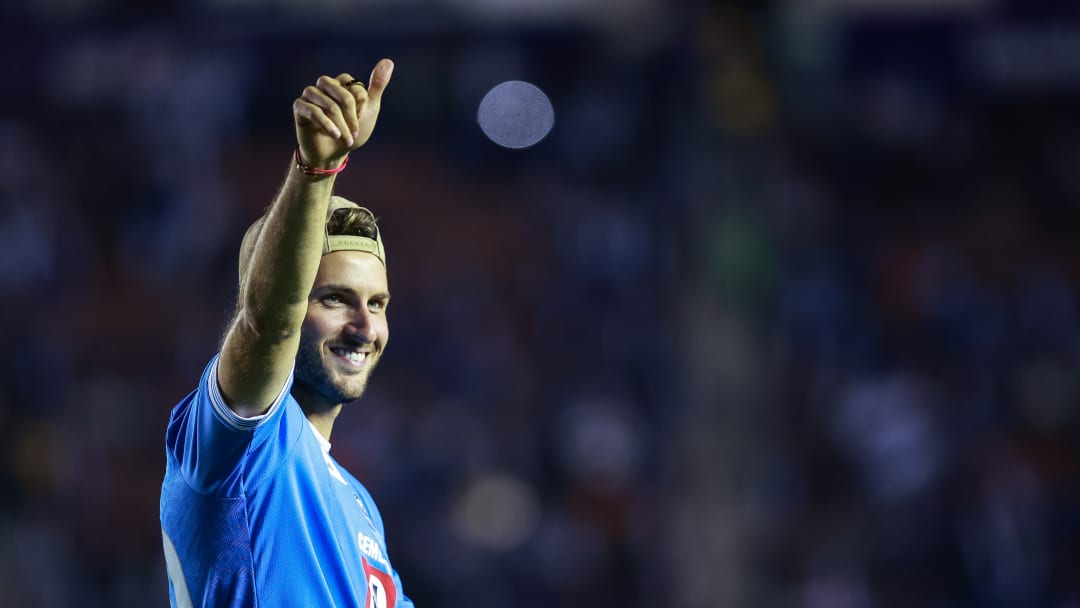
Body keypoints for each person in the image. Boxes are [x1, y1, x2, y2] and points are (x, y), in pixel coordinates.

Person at [159, 58, 413, 607]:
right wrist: (316, 171)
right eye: (334, 300)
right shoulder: (240, 440)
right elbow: (267, 323)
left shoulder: (358, 502)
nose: (365, 326)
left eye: (377, 303)